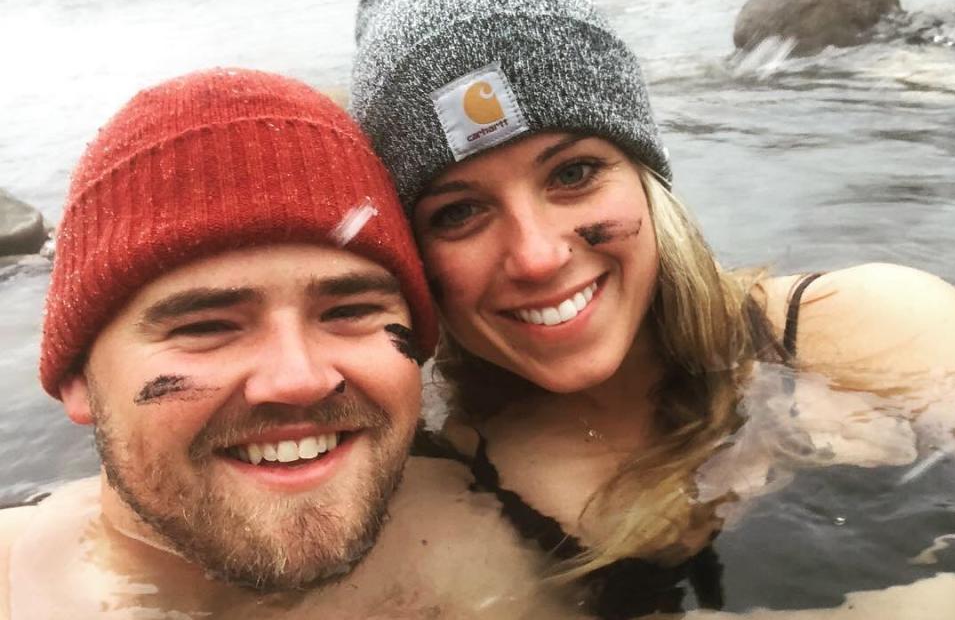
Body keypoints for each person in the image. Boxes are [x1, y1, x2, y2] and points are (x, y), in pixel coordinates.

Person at [351, 0, 955, 618]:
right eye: (458, 213)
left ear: (644, 176)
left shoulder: (876, 330)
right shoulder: (440, 516)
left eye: (574, 172)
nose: (539, 255)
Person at [0, 68, 576, 620]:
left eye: (348, 311)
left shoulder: (484, 532)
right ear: (75, 378)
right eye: (207, 326)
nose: (299, 377)